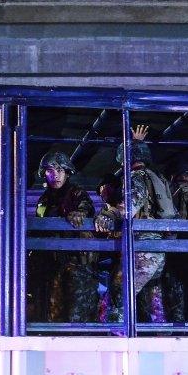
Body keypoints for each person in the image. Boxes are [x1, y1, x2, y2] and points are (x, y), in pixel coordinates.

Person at [95, 125, 177, 323]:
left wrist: (108, 213)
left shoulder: (135, 178)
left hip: (142, 250)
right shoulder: (155, 177)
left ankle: (115, 340)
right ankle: (161, 341)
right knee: (153, 304)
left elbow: (130, 206)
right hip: (156, 248)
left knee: (118, 295)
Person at [30, 151, 98, 322]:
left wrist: (79, 213)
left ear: (67, 172)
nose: (56, 175)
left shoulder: (76, 192)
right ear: (44, 173)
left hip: (76, 263)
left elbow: (87, 207)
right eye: (51, 171)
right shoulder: (44, 199)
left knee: (78, 313)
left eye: (60, 170)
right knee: (53, 314)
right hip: (52, 263)